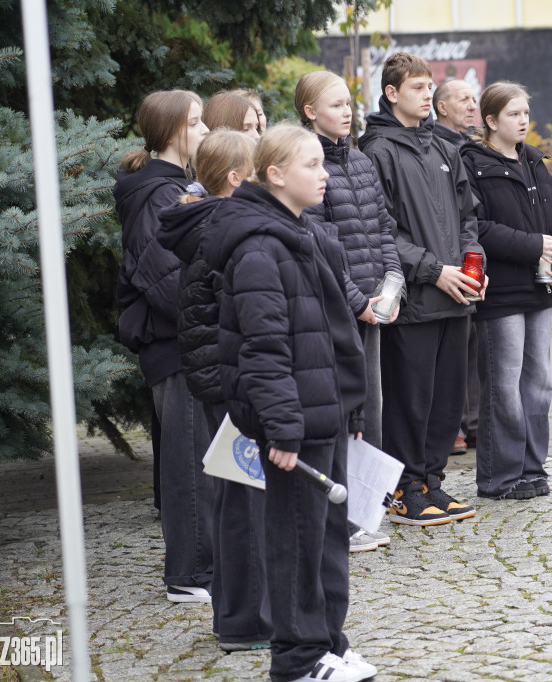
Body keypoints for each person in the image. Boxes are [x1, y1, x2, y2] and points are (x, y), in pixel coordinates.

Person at [210, 123, 376, 682]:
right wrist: (282, 430)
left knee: (327, 541)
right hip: (295, 424)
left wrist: (350, 409)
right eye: (311, 164)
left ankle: (328, 642)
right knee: (296, 542)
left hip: (323, 413)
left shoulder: (301, 233)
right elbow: (264, 350)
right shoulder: (259, 248)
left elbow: (328, 335)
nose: (325, 173)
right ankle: (299, 659)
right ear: (276, 175)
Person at [156, 130, 272, 652]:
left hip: (222, 380)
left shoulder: (211, 224)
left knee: (236, 503)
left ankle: (240, 616)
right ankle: (244, 620)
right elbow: (234, 315)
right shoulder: (221, 231)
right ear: (236, 178)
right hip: (232, 385)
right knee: (243, 507)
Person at [359, 52, 484, 526]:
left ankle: (432, 481)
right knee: (411, 399)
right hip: (416, 299)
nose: (427, 94)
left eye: (429, 86)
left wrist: (475, 265)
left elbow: (468, 216)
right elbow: (382, 229)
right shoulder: (378, 150)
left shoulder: (445, 148)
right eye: (416, 87)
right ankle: (405, 488)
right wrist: (434, 271)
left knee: (447, 399)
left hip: (457, 297)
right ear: (391, 94)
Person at [113, 89, 215, 602]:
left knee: (199, 456)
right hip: (175, 344)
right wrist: (212, 320)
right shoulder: (157, 194)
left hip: (187, 340)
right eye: (196, 124)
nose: (204, 131)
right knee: (187, 460)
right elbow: (162, 278)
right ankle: (189, 574)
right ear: (174, 132)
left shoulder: (176, 185)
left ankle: (204, 565)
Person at [294, 70, 401, 552]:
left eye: (348, 103)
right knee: (344, 412)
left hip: (375, 305)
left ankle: (365, 511)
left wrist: (392, 285)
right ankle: (340, 519)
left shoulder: (359, 160)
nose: (347, 111)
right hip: (338, 312)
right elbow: (316, 244)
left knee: (371, 410)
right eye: (335, 104)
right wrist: (357, 303)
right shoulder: (308, 165)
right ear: (309, 111)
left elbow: (383, 227)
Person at [460, 82, 552, 499]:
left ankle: (532, 468)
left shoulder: (534, 161)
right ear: (491, 121)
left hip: (539, 288)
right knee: (504, 387)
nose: (524, 120)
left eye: (526, 112)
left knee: (539, 384)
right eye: (513, 114)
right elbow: (478, 227)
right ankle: (500, 476)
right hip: (502, 293)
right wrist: (533, 246)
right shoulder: (472, 163)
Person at [433, 77, 481, 455]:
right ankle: (455, 428)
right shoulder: (437, 146)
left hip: (477, 255)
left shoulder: (473, 146)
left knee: (477, 347)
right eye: (463, 99)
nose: (471, 105)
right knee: (457, 349)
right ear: (442, 106)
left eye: (474, 99)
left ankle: (476, 424)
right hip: (448, 264)